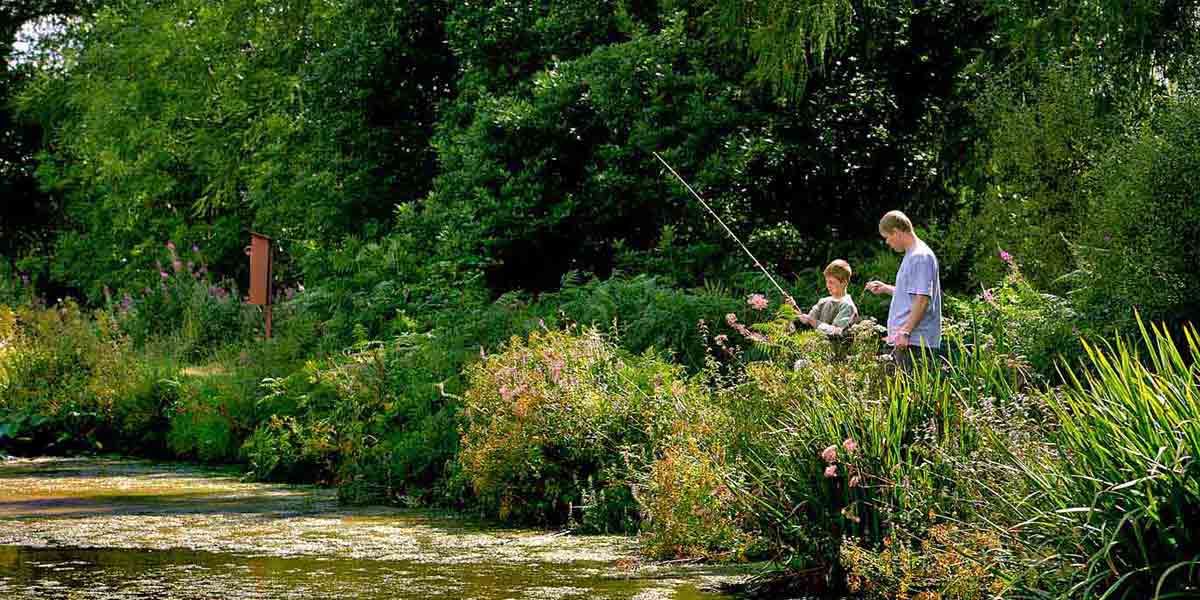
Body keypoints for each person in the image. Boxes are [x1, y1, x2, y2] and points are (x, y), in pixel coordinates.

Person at [864, 210, 942, 373]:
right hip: (905, 341)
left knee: (907, 389)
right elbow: (911, 295)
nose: (887, 242)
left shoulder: (920, 257)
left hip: (913, 343)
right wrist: (886, 288)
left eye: (887, 237)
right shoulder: (912, 255)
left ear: (896, 232)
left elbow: (922, 299)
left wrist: (905, 331)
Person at [795, 259, 859, 337]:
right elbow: (808, 322)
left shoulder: (847, 306)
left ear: (844, 282)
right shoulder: (823, 301)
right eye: (827, 281)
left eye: (831, 282)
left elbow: (838, 333)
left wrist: (814, 322)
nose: (828, 285)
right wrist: (794, 309)